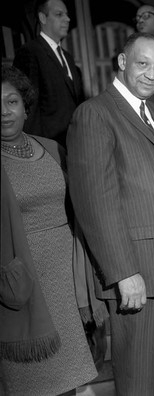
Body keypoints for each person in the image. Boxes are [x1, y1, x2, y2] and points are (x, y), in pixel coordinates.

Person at [66, 32, 154, 396]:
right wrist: (123, 272)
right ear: (122, 62)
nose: (152, 75)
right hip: (137, 275)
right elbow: (95, 202)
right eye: (143, 64)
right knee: (140, 384)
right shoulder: (93, 114)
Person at [1, 65, 97, 395]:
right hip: (24, 284)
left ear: (25, 106)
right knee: (33, 383)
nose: (4, 111)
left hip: (68, 279)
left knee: (75, 379)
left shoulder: (53, 148)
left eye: (11, 101)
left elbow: (80, 209)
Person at [13, 0, 84, 148]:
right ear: (43, 18)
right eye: (59, 14)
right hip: (47, 146)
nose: (67, 19)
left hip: (74, 144)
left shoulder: (68, 58)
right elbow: (28, 107)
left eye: (67, 14)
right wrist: (35, 148)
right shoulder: (29, 53)